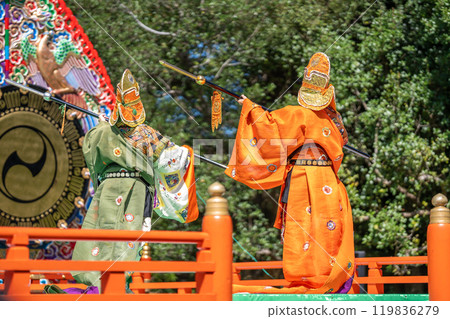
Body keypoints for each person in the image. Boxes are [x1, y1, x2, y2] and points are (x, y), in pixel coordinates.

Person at [225, 52, 354, 294]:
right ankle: (327, 278)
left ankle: (307, 279)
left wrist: (250, 107)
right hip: (328, 181)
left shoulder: (297, 113)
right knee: (326, 227)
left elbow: (268, 126)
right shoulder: (334, 119)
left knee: (304, 227)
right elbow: (342, 143)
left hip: (303, 179)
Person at [70, 69, 199, 291]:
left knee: (100, 233)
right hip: (134, 189)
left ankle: (93, 283)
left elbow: (91, 152)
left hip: (107, 188)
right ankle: (118, 283)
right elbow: (171, 159)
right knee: (125, 234)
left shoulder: (102, 131)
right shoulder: (146, 133)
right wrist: (186, 152)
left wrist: (103, 126)